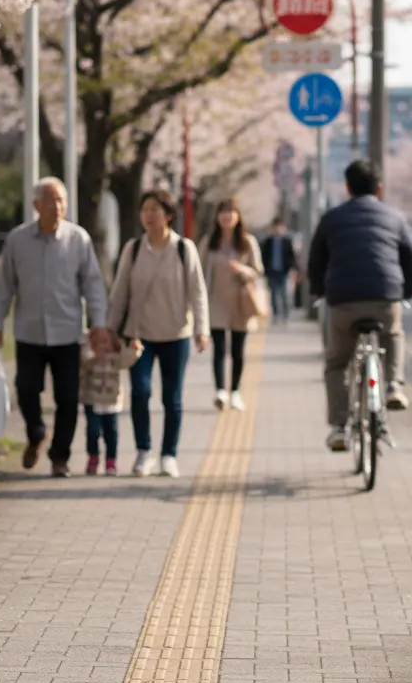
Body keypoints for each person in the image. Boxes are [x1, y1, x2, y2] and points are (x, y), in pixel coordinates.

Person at [0, 177, 109, 477]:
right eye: (51, 200)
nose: (57, 206)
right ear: (36, 205)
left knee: (68, 399)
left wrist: (99, 324)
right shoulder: (17, 240)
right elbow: (4, 286)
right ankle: (35, 433)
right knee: (26, 391)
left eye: (61, 201)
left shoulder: (78, 239)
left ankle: (60, 457)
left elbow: (93, 285)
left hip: (68, 333)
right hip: (29, 332)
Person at [307, 159, 412, 452]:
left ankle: (340, 426)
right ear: (379, 188)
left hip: (343, 299)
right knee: (393, 334)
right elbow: (410, 258)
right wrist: (405, 293)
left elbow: (316, 260)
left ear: (347, 188)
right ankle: (394, 385)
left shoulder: (332, 218)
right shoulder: (394, 216)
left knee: (336, 363)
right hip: (385, 296)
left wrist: (318, 291)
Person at [107, 189, 210, 479]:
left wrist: (201, 330)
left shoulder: (183, 249)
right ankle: (143, 451)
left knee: (172, 398)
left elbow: (198, 292)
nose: (148, 215)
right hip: (139, 334)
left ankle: (169, 454)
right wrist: (111, 329)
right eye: (145, 210)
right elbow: (119, 293)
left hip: (175, 334)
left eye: (155, 209)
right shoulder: (134, 248)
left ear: (168, 215)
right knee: (140, 392)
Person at [202, 199, 264, 411]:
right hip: (215, 302)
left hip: (241, 303)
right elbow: (199, 271)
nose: (226, 216)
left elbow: (257, 271)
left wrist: (241, 270)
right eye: (223, 212)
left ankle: (235, 392)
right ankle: (220, 391)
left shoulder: (247, 242)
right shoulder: (208, 242)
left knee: (238, 350)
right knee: (219, 348)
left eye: (231, 212)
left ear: (238, 216)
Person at [80, 337, 143, 476]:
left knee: (111, 433)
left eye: (106, 341)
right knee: (93, 431)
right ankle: (93, 457)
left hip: (111, 401)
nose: (104, 346)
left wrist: (134, 349)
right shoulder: (91, 358)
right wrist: (90, 347)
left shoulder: (116, 358)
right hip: (92, 399)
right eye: (100, 342)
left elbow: (127, 359)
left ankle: (111, 461)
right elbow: (84, 358)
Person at [260, 218, 298, 324]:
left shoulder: (287, 241)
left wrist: (293, 269)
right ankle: (276, 315)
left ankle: (285, 315)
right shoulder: (267, 242)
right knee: (273, 295)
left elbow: (292, 257)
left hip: (284, 272)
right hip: (271, 272)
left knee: (285, 294)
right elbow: (263, 257)